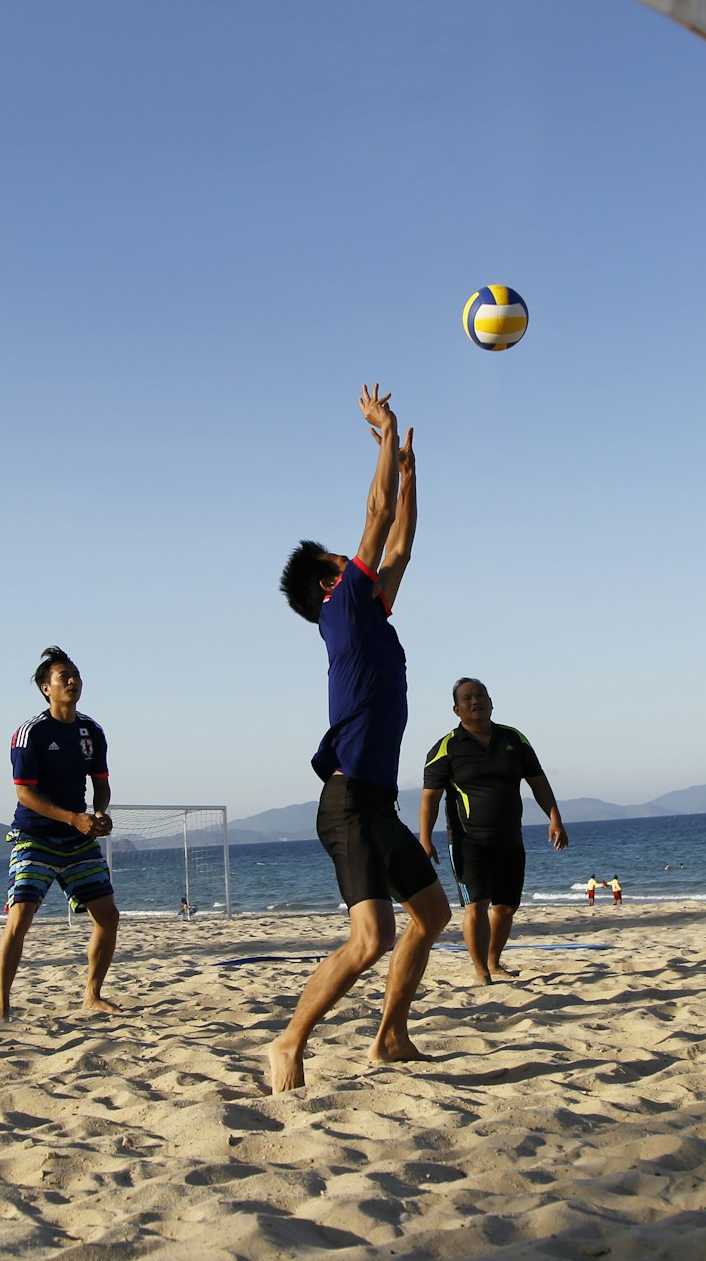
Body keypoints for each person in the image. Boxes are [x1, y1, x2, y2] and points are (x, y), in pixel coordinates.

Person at [267, 383, 449, 1095]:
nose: (362, 559)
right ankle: (288, 1042)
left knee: (431, 915)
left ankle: (391, 1035)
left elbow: (398, 538)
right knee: (370, 939)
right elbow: (375, 519)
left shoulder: (367, 612)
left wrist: (409, 476)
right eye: (347, 558)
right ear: (330, 578)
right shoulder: (342, 605)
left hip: (377, 805)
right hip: (346, 803)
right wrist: (386, 433)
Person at [0, 647, 121, 1018]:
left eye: (76, 674)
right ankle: (2, 1004)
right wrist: (73, 818)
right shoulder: (30, 733)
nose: (72, 681)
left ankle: (92, 995)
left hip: (77, 838)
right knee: (21, 918)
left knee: (108, 917)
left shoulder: (91, 730)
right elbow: (24, 793)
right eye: (63, 676)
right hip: (35, 837)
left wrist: (98, 814)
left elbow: (100, 783)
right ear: (44, 688)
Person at [417, 678, 570, 984]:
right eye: (467, 697)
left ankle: (494, 961)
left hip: (510, 838)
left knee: (506, 907)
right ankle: (480, 971)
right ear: (456, 709)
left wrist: (554, 817)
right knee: (476, 904)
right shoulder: (446, 748)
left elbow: (537, 781)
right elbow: (429, 798)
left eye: (480, 695)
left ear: (491, 701)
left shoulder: (513, 739)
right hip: (467, 840)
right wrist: (425, 839)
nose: (475, 701)